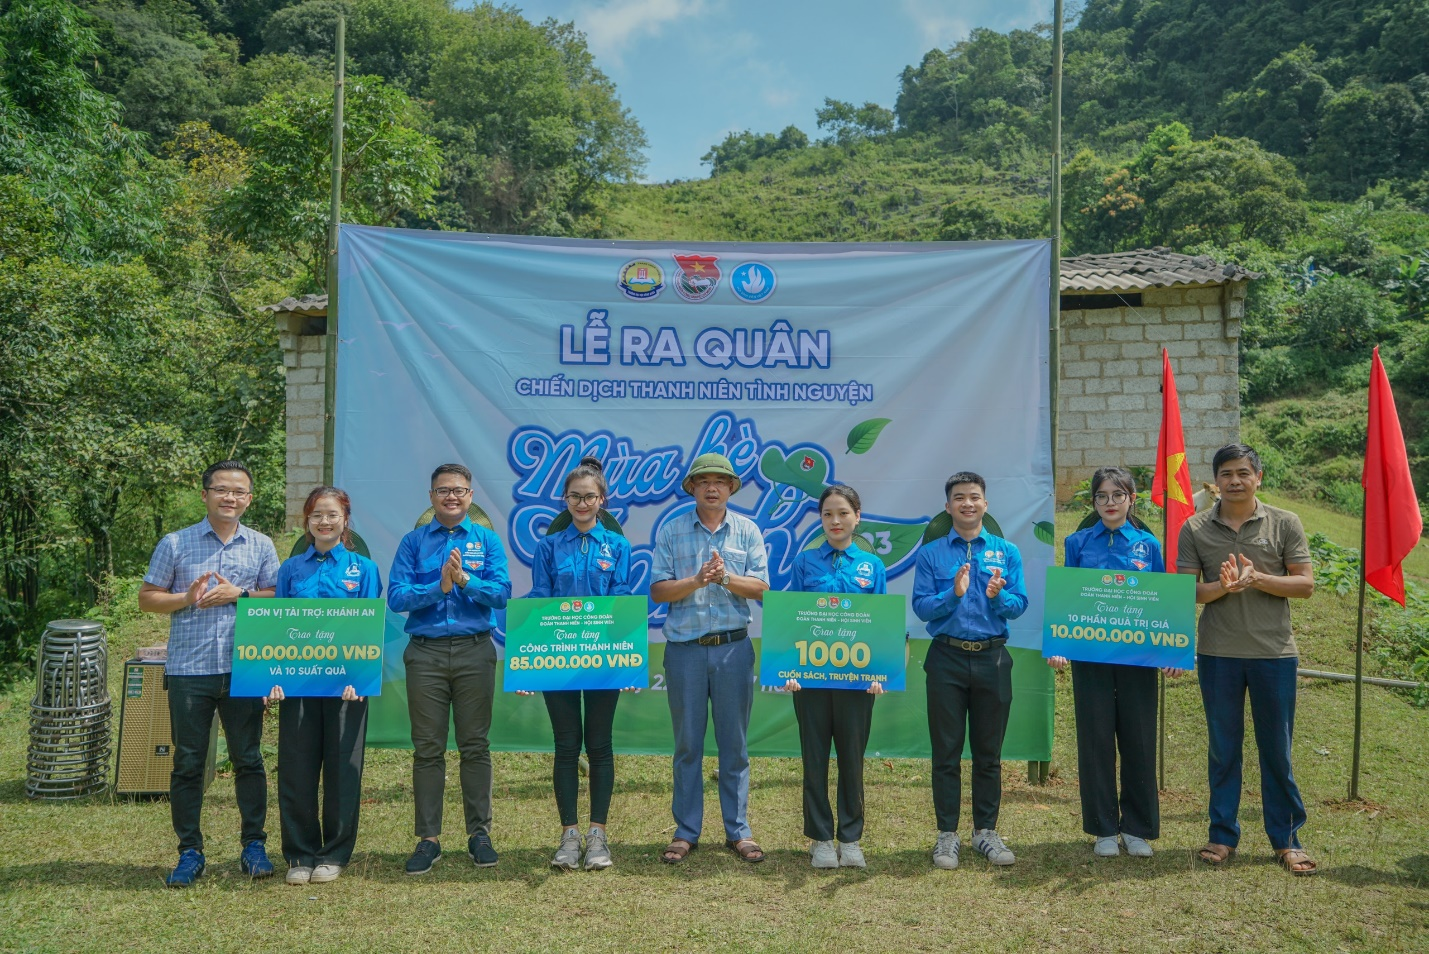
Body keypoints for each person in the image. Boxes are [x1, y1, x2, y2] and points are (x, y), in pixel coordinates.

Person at [138, 460, 280, 887]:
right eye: (221, 490)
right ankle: (190, 851)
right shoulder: (175, 543)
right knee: (187, 763)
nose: (230, 497)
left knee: (249, 759)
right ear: (205, 495)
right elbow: (147, 598)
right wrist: (187, 596)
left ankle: (253, 846)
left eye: (238, 491)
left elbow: (277, 596)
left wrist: (243, 594)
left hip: (244, 670)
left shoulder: (260, 545)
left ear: (249, 499)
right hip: (189, 671)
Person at [1177, 444, 1318, 876]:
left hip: (1273, 654)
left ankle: (1287, 839)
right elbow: (1185, 592)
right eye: (1226, 474)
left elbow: (1305, 584)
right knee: (1224, 749)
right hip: (1218, 653)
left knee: (1277, 748)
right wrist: (1221, 587)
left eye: (1243, 472)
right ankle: (1221, 834)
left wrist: (1256, 578)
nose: (1234, 480)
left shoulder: (1284, 522)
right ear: (1215, 480)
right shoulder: (1195, 527)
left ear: (1259, 476)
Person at [1048, 467, 1182, 859]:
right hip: (1090, 657)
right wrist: (1059, 645)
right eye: (1102, 496)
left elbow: (1161, 599)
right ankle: (1104, 828)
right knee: (1095, 738)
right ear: (1093, 502)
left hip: (1138, 658)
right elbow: (1067, 597)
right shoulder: (1076, 543)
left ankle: (1138, 828)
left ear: (1131, 500)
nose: (1110, 503)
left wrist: (1170, 653)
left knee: (1139, 738)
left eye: (1117, 495)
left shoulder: (1147, 545)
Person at [387, 463, 511, 875]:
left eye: (459, 490)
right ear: (431, 496)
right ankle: (429, 839)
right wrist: (436, 586)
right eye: (443, 490)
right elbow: (397, 598)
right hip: (426, 654)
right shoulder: (413, 542)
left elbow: (502, 594)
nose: (451, 497)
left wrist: (463, 581)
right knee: (428, 749)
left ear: (470, 496)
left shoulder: (488, 541)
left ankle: (479, 834)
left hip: (476, 651)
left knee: (475, 745)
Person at [649, 452, 770, 865]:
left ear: (731, 488)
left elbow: (761, 588)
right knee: (687, 746)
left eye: (721, 481)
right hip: (684, 651)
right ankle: (686, 831)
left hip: (734, 649)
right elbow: (658, 591)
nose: (713, 487)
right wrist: (697, 580)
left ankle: (739, 831)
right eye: (704, 482)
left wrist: (724, 578)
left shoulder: (748, 530)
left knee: (734, 745)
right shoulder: (672, 530)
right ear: (692, 488)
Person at [267, 487, 382, 885]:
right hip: (297, 686)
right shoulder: (290, 570)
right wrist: (273, 677)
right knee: (296, 768)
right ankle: (299, 854)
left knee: (342, 769)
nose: (324, 522)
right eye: (317, 515)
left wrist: (360, 677)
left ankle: (334, 852)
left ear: (345, 520)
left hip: (346, 687)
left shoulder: (363, 569)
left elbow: (370, 628)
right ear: (307, 521)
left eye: (332, 514)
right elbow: (277, 630)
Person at [912, 470, 1027, 869]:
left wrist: (999, 597)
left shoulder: (1006, 551)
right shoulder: (930, 554)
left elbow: (1020, 604)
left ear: (985, 504)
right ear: (948, 507)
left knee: (988, 753)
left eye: (974, 497)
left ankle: (985, 832)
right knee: (945, 752)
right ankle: (947, 835)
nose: (967, 503)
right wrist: (953, 593)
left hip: (993, 658)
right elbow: (922, 607)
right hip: (946, 658)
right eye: (959, 497)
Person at [524, 457, 633, 872]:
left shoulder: (618, 546)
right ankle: (569, 835)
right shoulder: (549, 546)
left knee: (600, 746)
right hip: (559, 659)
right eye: (575, 496)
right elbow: (539, 599)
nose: (582, 503)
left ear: (602, 500)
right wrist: (530, 663)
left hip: (604, 660)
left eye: (590, 497)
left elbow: (622, 601)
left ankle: (598, 836)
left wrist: (628, 663)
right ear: (565, 499)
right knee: (567, 747)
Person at [781, 485, 887, 869]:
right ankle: (821, 838)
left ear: (857, 516)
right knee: (814, 759)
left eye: (843, 513)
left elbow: (880, 625)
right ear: (821, 519)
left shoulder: (871, 567)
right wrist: (790, 670)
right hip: (809, 679)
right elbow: (792, 619)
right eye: (828, 514)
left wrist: (879, 672)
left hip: (857, 682)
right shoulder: (805, 562)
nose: (836, 521)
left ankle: (851, 837)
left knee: (851, 760)